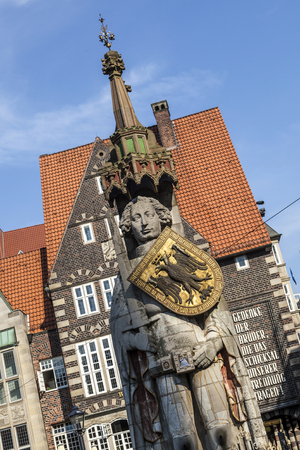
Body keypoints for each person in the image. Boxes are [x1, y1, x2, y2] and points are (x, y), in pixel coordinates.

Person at [110, 196, 267, 450]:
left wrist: (213, 343)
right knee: (183, 442)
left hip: (201, 351)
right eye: (136, 219)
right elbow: (119, 330)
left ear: (161, 217)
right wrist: (139, 340)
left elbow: (215, 309)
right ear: (129, 226)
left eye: (149, 215)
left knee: (222, 433)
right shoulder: (127, 276)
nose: (143, 223)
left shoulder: (182, 253)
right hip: (163, 362)